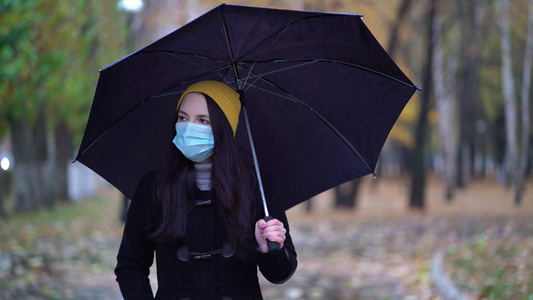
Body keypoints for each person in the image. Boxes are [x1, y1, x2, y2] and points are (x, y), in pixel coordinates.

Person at [115, 80, 298, 300]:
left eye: (202, 120)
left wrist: (269, 250)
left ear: (224, 128)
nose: (189, 127)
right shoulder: (154, 187)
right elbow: (130, 266)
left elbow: (281, 274)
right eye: (183, 118)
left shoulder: (256, 185)